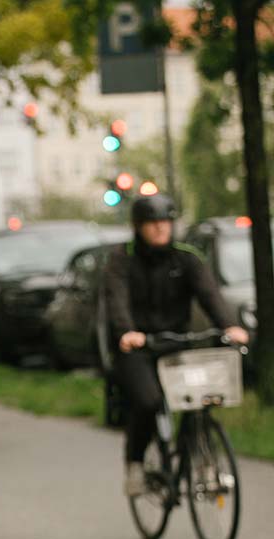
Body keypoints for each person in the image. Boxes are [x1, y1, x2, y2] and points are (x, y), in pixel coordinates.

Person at [103, 193, 248, 496]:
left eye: (164, 223)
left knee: (200, 398)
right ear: (138, 227)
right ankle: (136, 464)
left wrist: (230, 326)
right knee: (148, 401)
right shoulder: (122, 258)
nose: (159, 229)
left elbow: (210, 295)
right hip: (137, 348)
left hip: (176, 343)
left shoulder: (186, 257)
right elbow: (116, 300)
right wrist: (127, 331)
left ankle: (199, 457)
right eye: (152, 224)